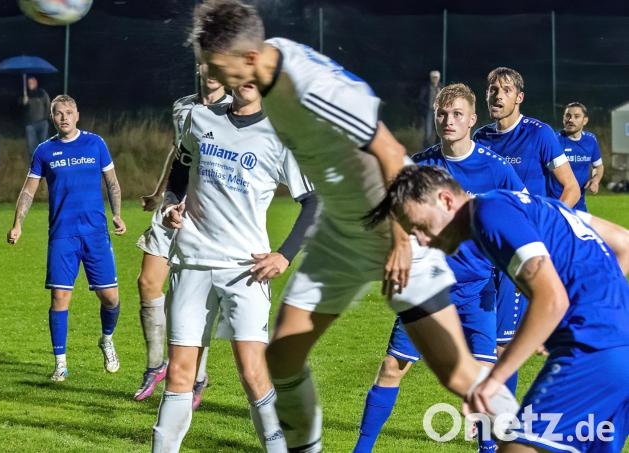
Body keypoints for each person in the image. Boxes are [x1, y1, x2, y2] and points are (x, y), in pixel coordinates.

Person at [189, 1, 518, 450]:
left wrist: (400, 241)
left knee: (459, 374)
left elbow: (388, 150)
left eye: (217, 68)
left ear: (247, 59)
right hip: (342, 233)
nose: (214, 78)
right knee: (282, 358)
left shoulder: (309, 87)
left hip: (394, 229)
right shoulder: (268, 63)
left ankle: (540, 439)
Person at [366, 165, 629, 453]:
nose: (424, 240)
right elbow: (624, 242)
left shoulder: (489, 212)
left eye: (419, 226)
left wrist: (493, 380)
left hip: (591, 349)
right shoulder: (533, 205)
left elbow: (552, 299)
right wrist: (573, 311)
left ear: (445, 200)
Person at [354, 83, 525, 453]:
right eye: (442, 114)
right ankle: (361, 449)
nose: (449, 121)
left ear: (472, 120)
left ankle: (488, 448)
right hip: (427, 287)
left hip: (478, 291)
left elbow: (522, 218)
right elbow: (390, 210)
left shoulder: (497, 170)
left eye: (457, 114)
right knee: (392, 367)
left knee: (483, 379)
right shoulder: (422, 165)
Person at [152, 82, 317, 453]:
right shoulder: (199, 117)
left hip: (246, 271)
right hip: (192, 262)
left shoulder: (280, 135)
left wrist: (284, 254)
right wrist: (170, 204)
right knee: (179, 373)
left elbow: (313, 202)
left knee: (253, 374)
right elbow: (181, 168)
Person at [472, 67, 581, 395]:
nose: (496, 95)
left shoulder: (539, 134)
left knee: (503, 347)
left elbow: (571, 188)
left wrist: (545, 234)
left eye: (504, 90)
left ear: (519, 98)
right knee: (481, 348)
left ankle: (497, 432)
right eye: (492, 89)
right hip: (483, 252)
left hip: (518, 252)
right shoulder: (480, 138)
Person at [7, 94, 127, 381]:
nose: (64, 117)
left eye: (69, 112)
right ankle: (60, 362)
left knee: (110, 298)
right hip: (63, 235)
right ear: (52, 117)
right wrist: (17, 224)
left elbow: (111, 181)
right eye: (58, 113)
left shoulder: (95, 143)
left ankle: (107, 339)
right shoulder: (44, 151)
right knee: (60, 297)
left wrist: (117, 214)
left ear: (77, 114)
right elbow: (28, 191)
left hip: (95, 233)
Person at [134, 65, 232, 404]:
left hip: (208, 213)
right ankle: (155, 364)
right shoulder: (182, 106)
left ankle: (198, 376)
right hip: (173, 206)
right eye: (207, 62)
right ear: (198, 67)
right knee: (148, 282)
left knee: (193, 297)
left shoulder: (235, 109)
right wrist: (159, 192)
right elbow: (179, 154)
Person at [550, 102, 604, 212]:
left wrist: (595, 180)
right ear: (563, 118)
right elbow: (546, 168)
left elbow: (598, 166)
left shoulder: (590, 140)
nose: (570, 120)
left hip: (580, 205)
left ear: (585, 120)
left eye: (576, 116)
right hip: (557, 203)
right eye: (568, 116)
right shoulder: (554, 140)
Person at [22, 75, 51, 157]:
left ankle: (45, 164)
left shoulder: (42, 93)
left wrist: (46, 118)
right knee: (32, 148)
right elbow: (19, 107)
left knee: (44, 146)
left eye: (32, 82)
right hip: (30, 125)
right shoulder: (25, 94)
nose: (30, 84)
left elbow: (48, 105)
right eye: (28, 83)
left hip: (43, 123)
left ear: (36, 83)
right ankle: (34, 166)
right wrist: (23, 101)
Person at [419, 70, 443, 147]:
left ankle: (437, 146)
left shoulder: (441, 87)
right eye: (433, 77)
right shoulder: (426, 87)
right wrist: (425, 107)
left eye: (436, 77)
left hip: (438, 111)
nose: (435, 79)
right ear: (430, 78)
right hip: (428, 111)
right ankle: (426, 147)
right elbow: (421, 98)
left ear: (439, 78)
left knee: (438, 129)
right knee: (428, 130)